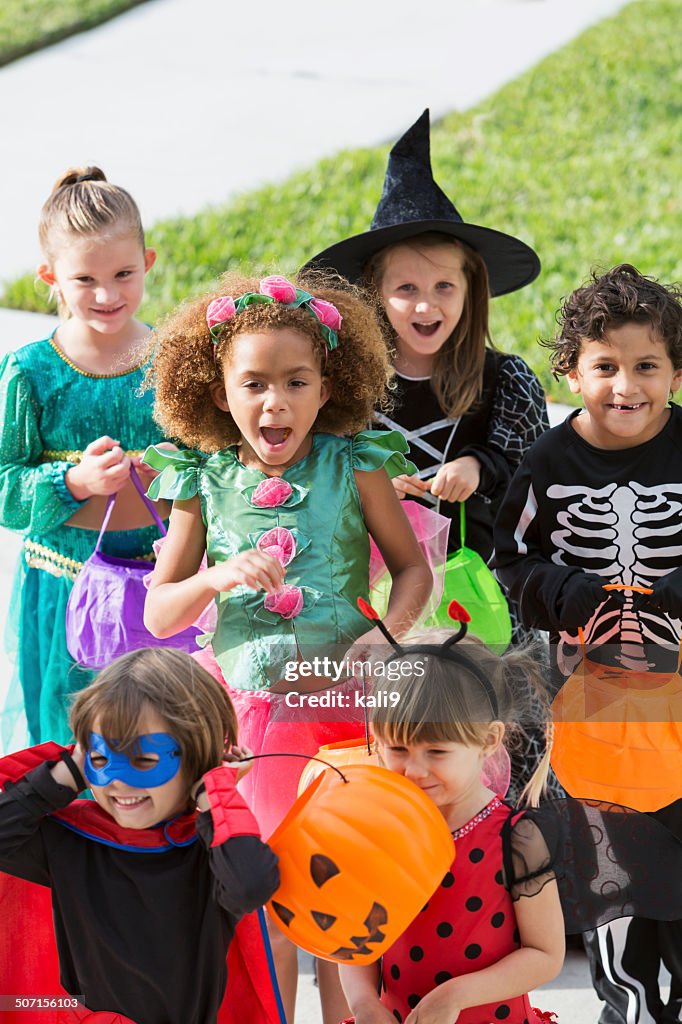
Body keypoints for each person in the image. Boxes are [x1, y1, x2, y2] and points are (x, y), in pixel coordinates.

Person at [141, 271, 432, 1024]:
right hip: (241, 717)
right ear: (215, 392)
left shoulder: (355, 464)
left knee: (338, 892)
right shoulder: (200, 481)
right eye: (255, 383)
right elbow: (160, 613)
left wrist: (387, 632)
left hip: (337, 705)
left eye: (297, 381)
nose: (276, 403)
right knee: (262, 901)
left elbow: (412, 570)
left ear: (327, 387)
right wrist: (215, 576)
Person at [494, 263, 682, 1023]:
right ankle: (629, 1008)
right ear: (570, 370)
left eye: (647, 367)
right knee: (615, 876)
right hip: (592, 708)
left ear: (676, 369)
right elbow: (512, 558)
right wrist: (566, 593)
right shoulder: (544, 463)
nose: (625, 386)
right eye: (604, 367)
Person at [305, 109, 549, 576]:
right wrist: (369, 486)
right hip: (369, 582)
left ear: (470, 288)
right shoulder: (341, 380)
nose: (425, 307)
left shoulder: (505, 381)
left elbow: (538, 483)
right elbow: (310, 469)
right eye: (406, 289)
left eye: (443, 287)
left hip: (478, 591)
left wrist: (479, 467)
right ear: (374, 291)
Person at [0, 647, 280, 1024]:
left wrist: (215, 793)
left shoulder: (211, 852)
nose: (118, 780)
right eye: (101, 759)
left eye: (145, 760)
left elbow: (252, 884)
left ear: (199, 757)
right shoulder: (70, 839)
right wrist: (66, 772)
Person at [0, 166, 168, 749]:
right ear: (50, 276)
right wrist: (73, 480)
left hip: (161, 584)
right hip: (66, 585)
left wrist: (175, 465)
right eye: (85, 279)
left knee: (155, 729)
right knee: (72, 730)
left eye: (123, 273)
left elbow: (213, 455)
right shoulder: (32, 371)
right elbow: (5, 485)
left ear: (148, 261)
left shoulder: (171, 360)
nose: (107, 295)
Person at [339, 622, 566, 1024]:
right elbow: (355, 940)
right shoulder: (377, 834)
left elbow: (545, 954)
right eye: (398, 748)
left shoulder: (516, 839)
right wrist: (364, 1003)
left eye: (437, 751)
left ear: (488, 740)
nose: (414, 769)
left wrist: (456, 995)